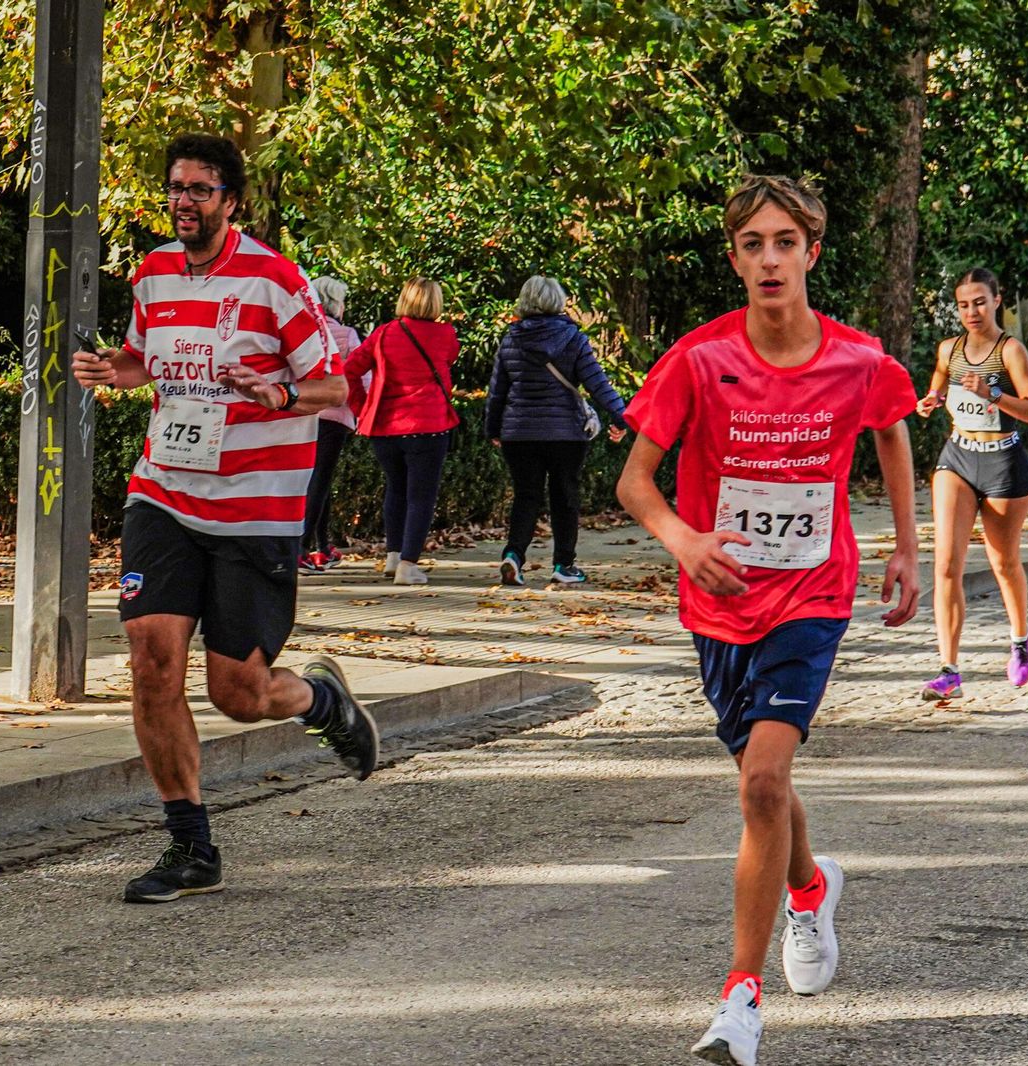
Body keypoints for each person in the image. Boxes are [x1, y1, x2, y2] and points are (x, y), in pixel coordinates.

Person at [616, 174, 920, 1066]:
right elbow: (634, 481)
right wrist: (683, 539)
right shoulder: (698, 359)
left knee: (761, 782)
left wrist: (908, 547)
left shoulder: (859, 360)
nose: (770, 258)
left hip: (814, 594)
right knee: (763, 781)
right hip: (720, 599)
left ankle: (739, 1002)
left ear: (811, 253)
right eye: (753, 244)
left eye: (786, 242)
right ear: (736, 259)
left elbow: (892, 427)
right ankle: (810, 887)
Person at [70, 133, 379, 903]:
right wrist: (110, 369)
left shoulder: (275, 279)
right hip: (165, 494)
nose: (183, 201)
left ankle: (323, 702)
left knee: (239, 694)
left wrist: (279, 394)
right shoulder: (151, 273)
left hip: (254, 509)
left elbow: (334, 387)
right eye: (176, 188)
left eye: (199, 189)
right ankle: (190, 845)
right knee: (152, 663)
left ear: (230, 201)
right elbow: (142, 360)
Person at [914, 267, 1028, 695]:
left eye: (980, 303)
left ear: (996, 301)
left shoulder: (1010, 351)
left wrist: (993, 395)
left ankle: (1021, 640)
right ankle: (948, 669)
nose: (972, 312)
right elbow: (939, 384)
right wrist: (931, 400)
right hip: (958, 457)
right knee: (946, 564)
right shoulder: (949, 349)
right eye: (964, 305)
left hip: (1003, 461)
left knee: (1002, 562)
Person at [485, 276, 629, 586]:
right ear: (558, 301)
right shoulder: (573, 338)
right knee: (565, 496)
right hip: (565, 433)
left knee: (526, 496)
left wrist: (493, 428)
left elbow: (497, 392)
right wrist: (621, 417)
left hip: (519, 432)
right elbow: (597, 383)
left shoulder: (511, 339)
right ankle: (564, 565)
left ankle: (513, 555)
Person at [344, 277, 461, 585]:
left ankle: (394, 556)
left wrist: (362, 407)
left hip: (385, 427)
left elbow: (349, 370)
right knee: (421, 496)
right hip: (429, 425)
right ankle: (408, 565)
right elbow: (449, 358)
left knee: (396, 489)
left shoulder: (383, 333)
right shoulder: (446, 334)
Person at [299, 275, 360, 573]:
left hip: (301, 414)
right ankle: (302, 548)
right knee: (321, 481)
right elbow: (361, 379)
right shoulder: (347, 335)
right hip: (335, 417)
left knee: (312, 480)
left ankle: (322, 545)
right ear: (337, 304)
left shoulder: (302, 332)